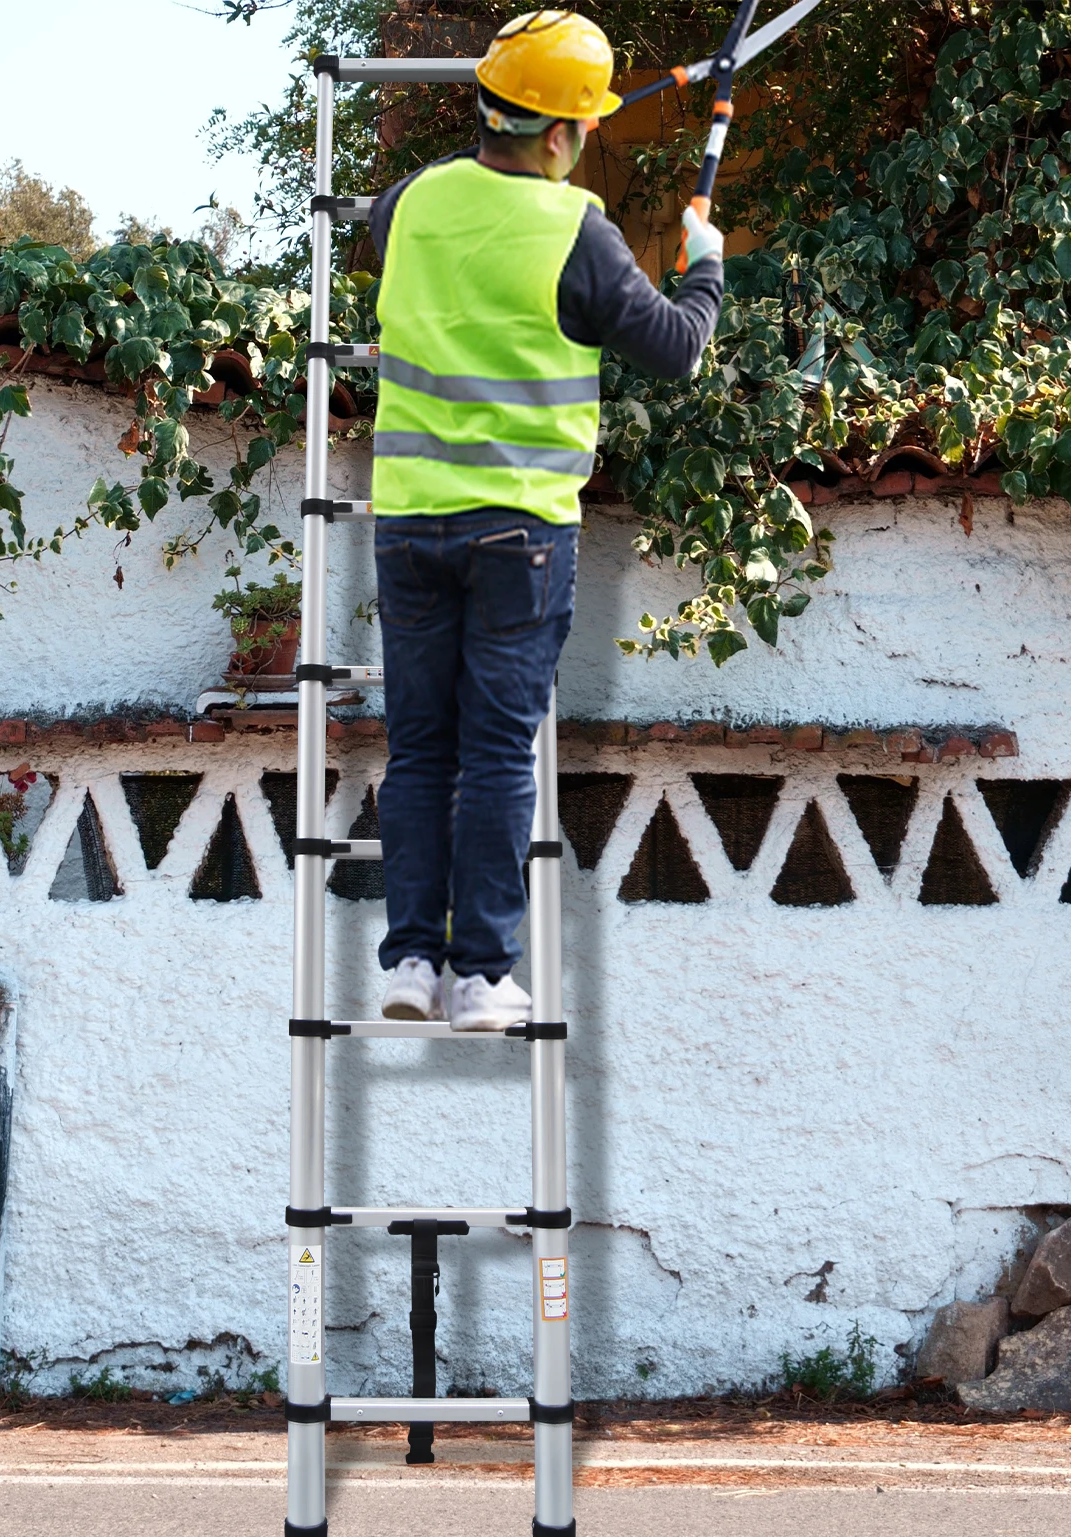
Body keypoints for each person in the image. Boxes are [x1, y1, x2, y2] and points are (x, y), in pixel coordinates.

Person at [369, 8, 726, 1030]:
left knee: (418, 749)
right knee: (493, 755)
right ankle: (480, 976)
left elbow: (418, 218)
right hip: (519, 533)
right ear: (564, 136)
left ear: (487, 109)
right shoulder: (579, 230)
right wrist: (703, 263)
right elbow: (674, 349)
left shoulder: (408, 203)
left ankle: (406, 964)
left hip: (408, 523)